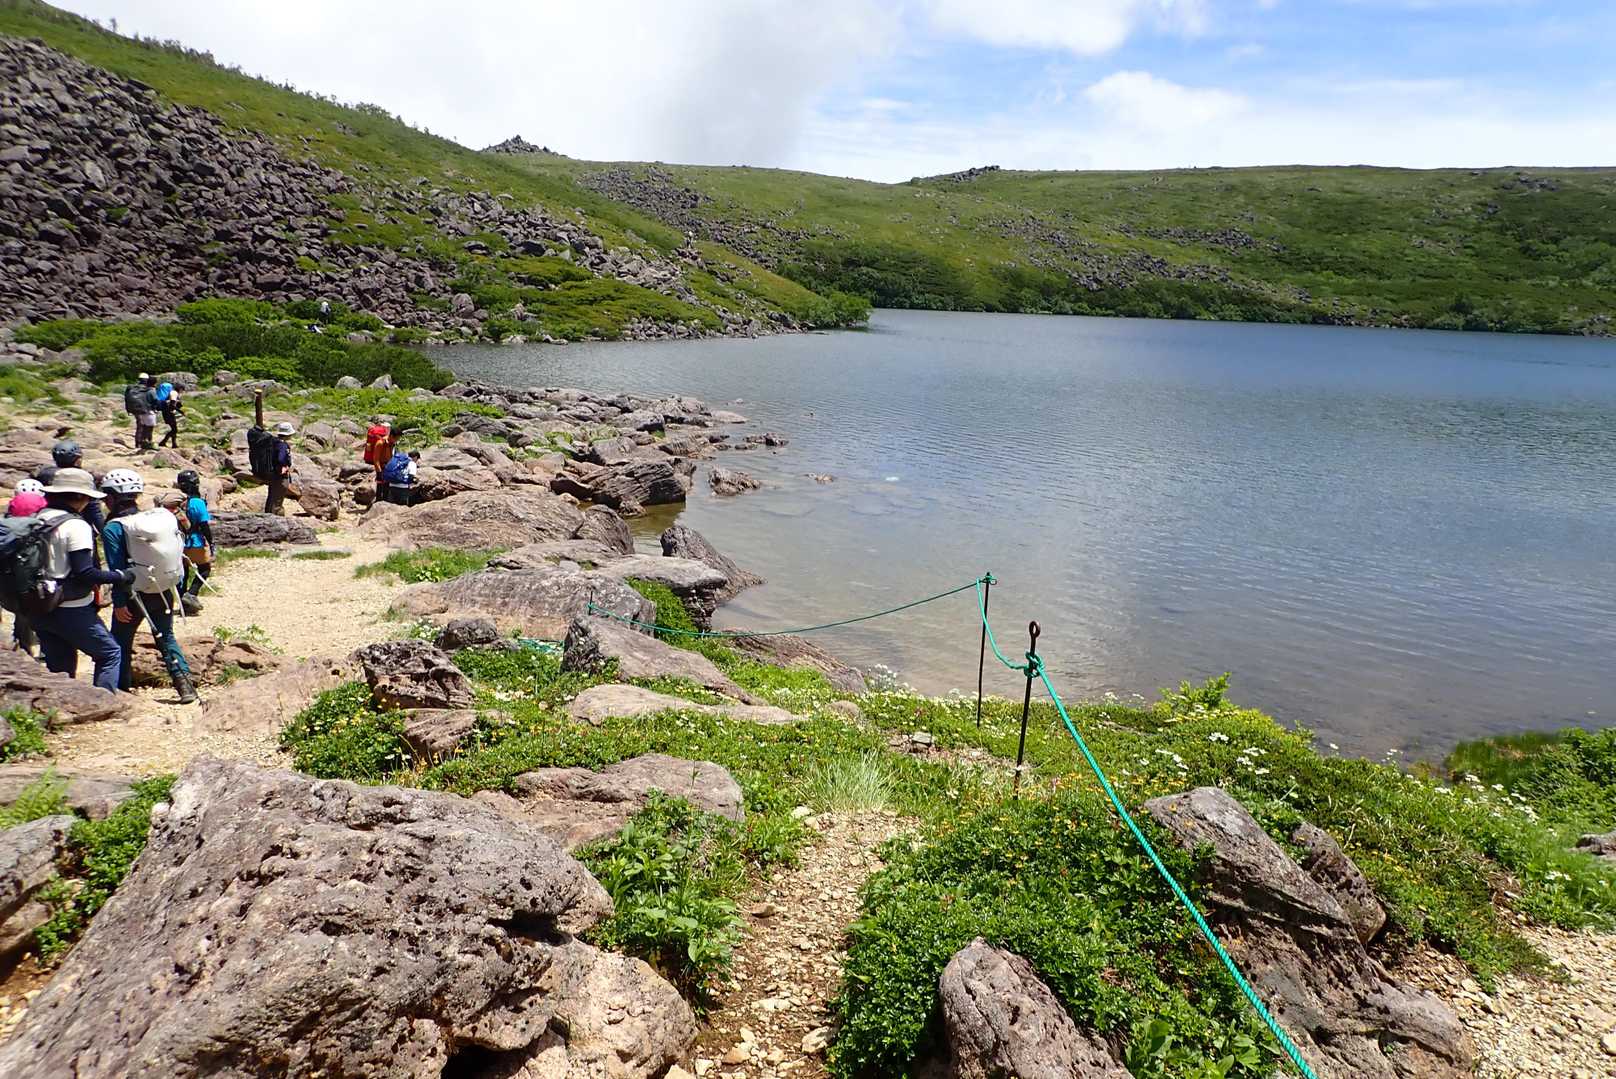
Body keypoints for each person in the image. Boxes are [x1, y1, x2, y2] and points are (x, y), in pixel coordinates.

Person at [100, 469, 196, 704]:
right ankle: (185, 686)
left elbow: (117, 570)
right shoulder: (148, 522)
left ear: (112, 498)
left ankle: (121, 690)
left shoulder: (114, 527)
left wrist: (119, 602)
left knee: (120, 642)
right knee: (166, 637)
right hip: (163, 589)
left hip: (133, 594)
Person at [32, 468, 131, 691]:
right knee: (109, 653)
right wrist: (120, 576)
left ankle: (61, 706)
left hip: (38, 603)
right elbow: (85, 572)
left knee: (60, 667)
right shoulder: (76, 526)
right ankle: (103, 703)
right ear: (80, 497)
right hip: (71, 607)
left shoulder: (37, 518)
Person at [5, 479, 46, 655]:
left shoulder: (7, 518)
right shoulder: (44, 516)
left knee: (21, 613)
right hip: (37, 575)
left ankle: (23, 647)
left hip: (11, 578)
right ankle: (44, 650)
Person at [35, 441, 105, 534]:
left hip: (46, 520)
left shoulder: (44, 474)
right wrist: (103, 532)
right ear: (77, 460)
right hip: (76, 524)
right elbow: (94, 509)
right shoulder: (82, 477)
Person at [174, 470, 214, 614]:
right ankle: (191, 594)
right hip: (195, 541)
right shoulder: (198, 502)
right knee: (204, 568)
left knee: (183, 572)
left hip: (178, 541)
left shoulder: (178, 502)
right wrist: (210, 542)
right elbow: (204, 525)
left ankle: (183, 603)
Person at [264, 421, 295, 515]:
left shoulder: (274, 442)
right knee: (278, 500)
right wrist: (285, 466)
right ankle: (275, 519)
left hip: (273, 474)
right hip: (280, 476)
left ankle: (267, 516)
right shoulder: (282, 445)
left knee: (271, 498)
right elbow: (281, 458)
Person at [365, 421, 396, 505]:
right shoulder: (380, 442)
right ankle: (379, 501)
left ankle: (383, 500)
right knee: (381, 483)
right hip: (381, 465)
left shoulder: (390, 442)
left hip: (386, 465)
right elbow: (376, 459)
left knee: (385, 483)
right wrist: (379, 471)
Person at [124, 373, 157, 450]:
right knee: (146, 426)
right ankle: (145, 442)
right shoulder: (148, 388)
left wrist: (128, 409)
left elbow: (126, 399)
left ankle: (138, 443)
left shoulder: (132, 388)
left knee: (139, 425)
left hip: (135, 409)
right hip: (145, 409)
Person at [156, 382, 183, 448]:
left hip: (167, 412)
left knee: (174, 429)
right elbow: (172, 405)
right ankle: (165, 442)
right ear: (180, 389)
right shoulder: (174, 393)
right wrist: (181, 411)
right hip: (168, 413)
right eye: (182, 389)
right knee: (174, 429)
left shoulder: (172, 392)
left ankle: (172, 443)